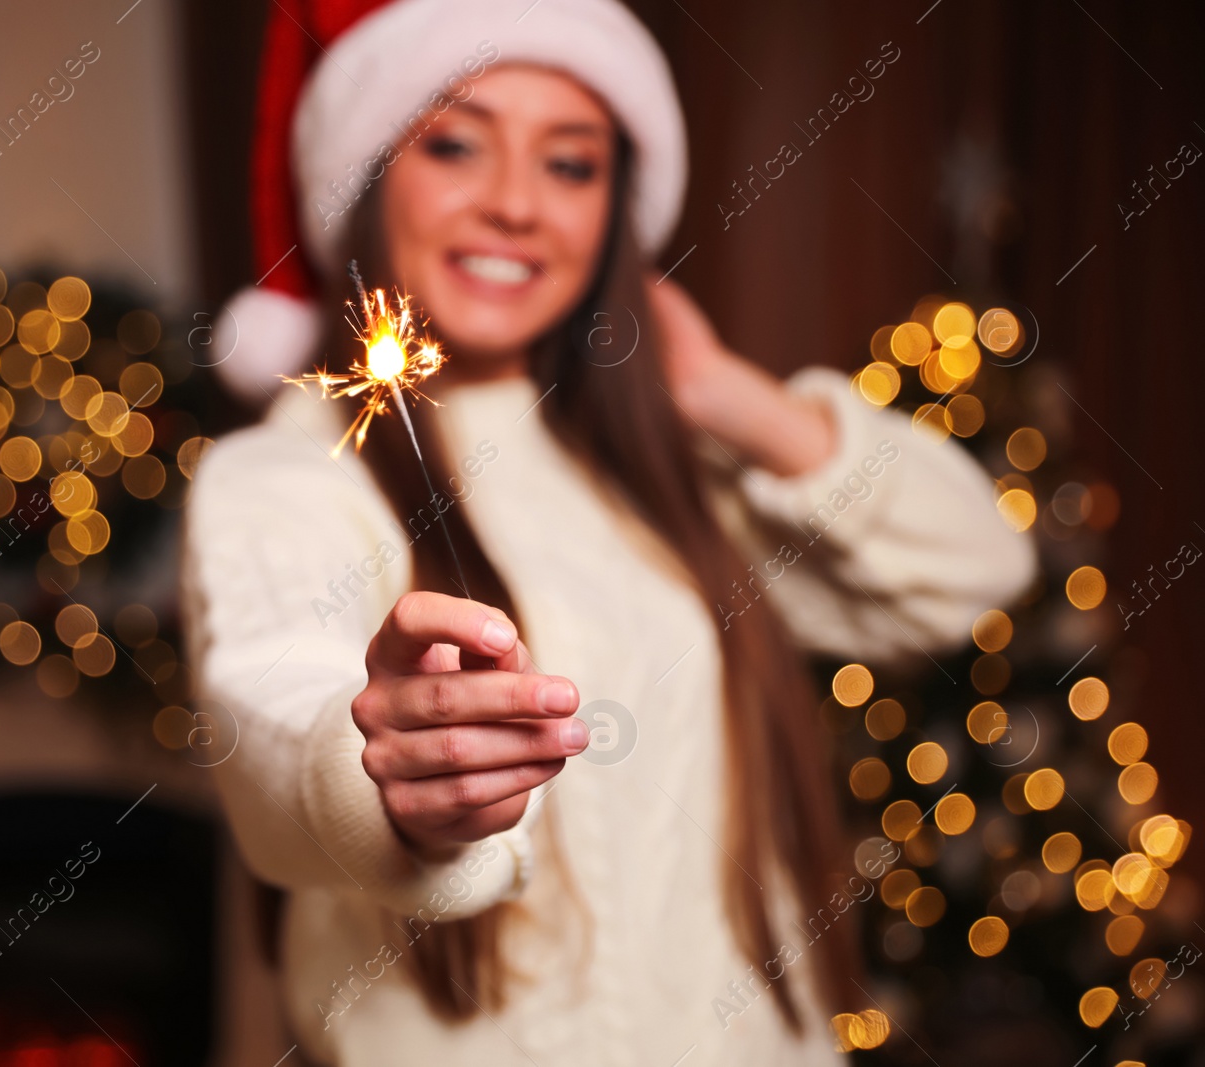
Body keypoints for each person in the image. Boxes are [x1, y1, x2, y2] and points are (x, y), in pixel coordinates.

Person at [180, 0, 1036, 1062]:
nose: (514, 205)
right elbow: (270, 717)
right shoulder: (283, 472)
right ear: (361, 181)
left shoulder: (672, 465)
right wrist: (388, 773)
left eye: (571, 164)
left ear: (616, 210)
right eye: (453, 142)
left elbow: (980, 564)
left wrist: (728, 394)